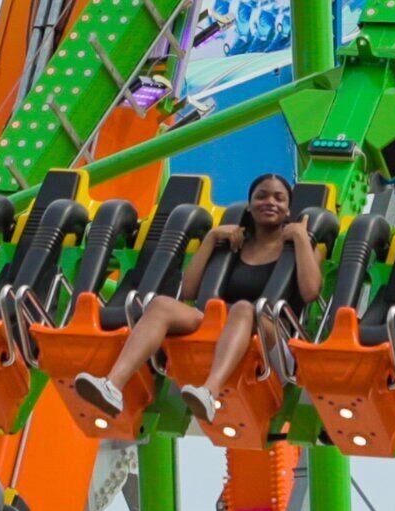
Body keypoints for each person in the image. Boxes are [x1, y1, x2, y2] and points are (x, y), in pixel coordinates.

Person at [76, 172, 318, 422]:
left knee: (244, 309)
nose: (270, 202)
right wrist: (211, 239)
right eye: (261, 196)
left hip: (273, 343)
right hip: (222, 324)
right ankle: (112, 385)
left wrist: (301, 237)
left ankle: (208, 392)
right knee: (161, 305)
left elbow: (311, 292)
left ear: (289, 210)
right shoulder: (234, 244)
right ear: (250, 205)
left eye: (279, 198)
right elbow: (190, 291)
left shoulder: (298, 246)